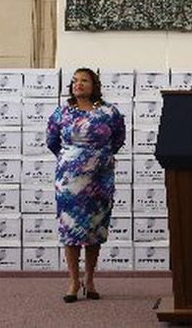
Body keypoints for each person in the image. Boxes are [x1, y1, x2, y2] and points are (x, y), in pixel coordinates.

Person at [46, 68, 126, 303]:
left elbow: (118, 140)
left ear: (94, 85)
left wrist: (97, 158)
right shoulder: (62, 112)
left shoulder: (109, 112)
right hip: (69, 181)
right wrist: (73, 158)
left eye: (84, 80)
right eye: (75, 81)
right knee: (70, 231)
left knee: (95, 229)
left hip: (100, 179)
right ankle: (73, 281)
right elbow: (52, 141)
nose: (78, 84)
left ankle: (90, 280)